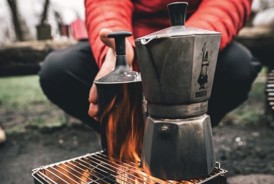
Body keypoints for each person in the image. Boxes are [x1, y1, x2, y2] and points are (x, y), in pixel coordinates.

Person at [39, 0, 261, 130]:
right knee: (59, 70)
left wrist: (184, 48)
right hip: (132, 42)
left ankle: (189, 134)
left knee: (237, 67)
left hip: (196, 39)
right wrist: (119, 52)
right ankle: (127, 136)